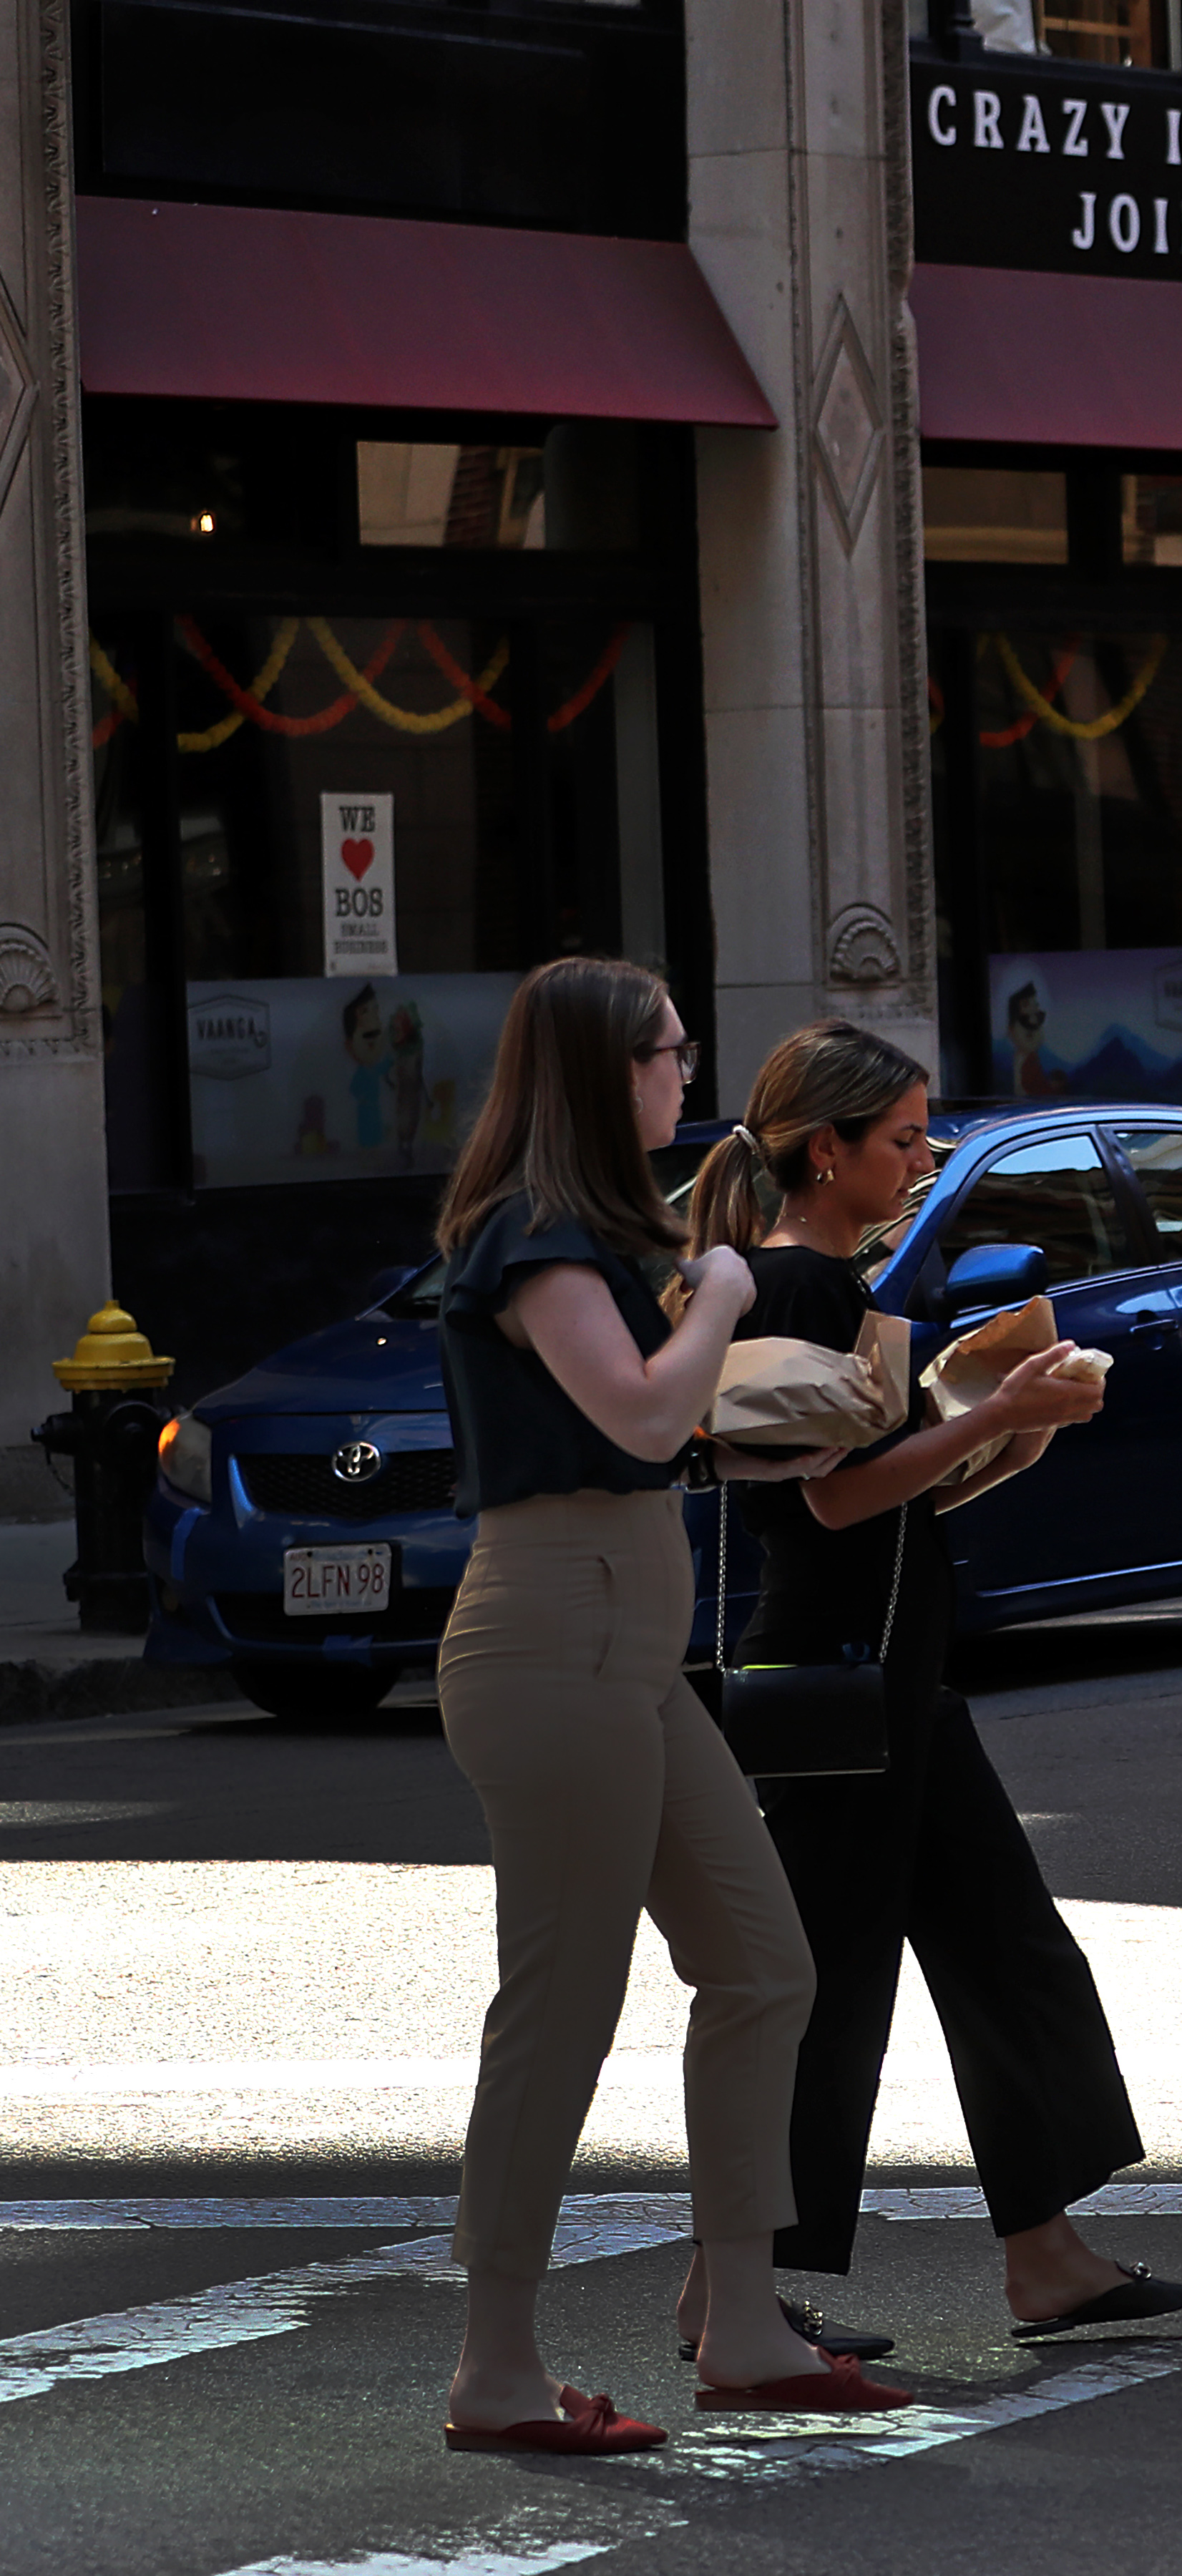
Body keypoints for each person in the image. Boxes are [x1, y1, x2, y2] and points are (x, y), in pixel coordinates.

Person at [432, 957, 907, 2457]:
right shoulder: (533, 1232)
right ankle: (495, 2368)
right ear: (597, 1072)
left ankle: (748, 2323)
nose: (686, 1078)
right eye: (665, 1053)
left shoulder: (596, 1235)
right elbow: (639, 1407)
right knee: (560, 2012)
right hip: (551, 1639)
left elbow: (661, 1441)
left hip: (621, 1645)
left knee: (765, 1966)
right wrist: (723, 1292)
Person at [683, 1022, 1182, 2348]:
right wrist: (986, 1416)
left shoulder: (818, 1283)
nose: (925, 1162)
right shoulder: (791, 1285)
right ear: (829, 1150)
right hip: (841, 1685)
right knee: (825, 1991)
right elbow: (828, 1502)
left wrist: (1003, 1417)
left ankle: (1048, 2257)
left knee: (1007, 1954)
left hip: (886, 1677)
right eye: (906, 1138)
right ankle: (722, 2291)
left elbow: (874, 1495)